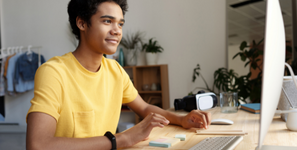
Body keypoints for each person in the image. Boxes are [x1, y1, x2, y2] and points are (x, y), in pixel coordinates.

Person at [26, 0, 211, 149]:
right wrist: (121, 139)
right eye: (107, 21)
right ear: (81, 23)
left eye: (120, 23)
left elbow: (145, 109)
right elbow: (38, 144)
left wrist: (182, 119)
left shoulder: (115, 70)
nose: (117, 30)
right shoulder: (53, 72)